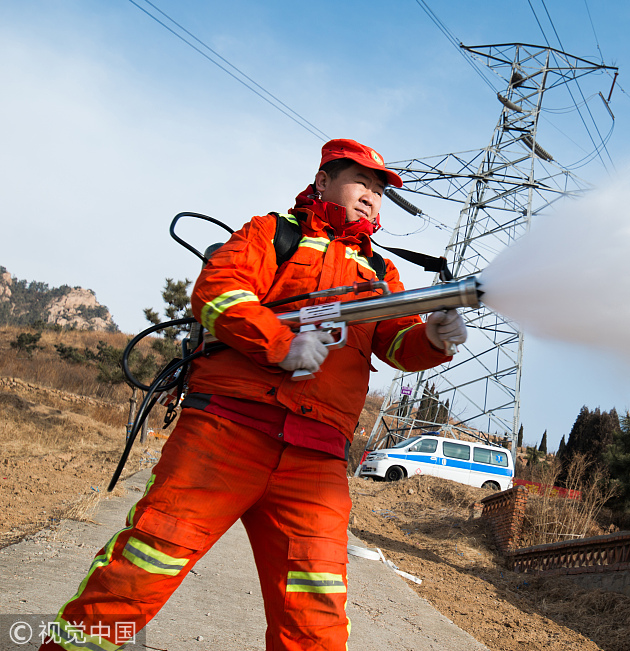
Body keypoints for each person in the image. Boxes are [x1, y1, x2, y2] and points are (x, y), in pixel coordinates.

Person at [40, 139, 467, 651]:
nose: (372, 197)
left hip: (317, 458)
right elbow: (218, 293)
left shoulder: (379, 273)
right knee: (143, 568)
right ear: (324, 181)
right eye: (362, 182)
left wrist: (432, 339)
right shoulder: (272, 233)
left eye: (379, 190)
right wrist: (282, 345)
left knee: (315, 615)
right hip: (226, 430)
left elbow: (397, 342)